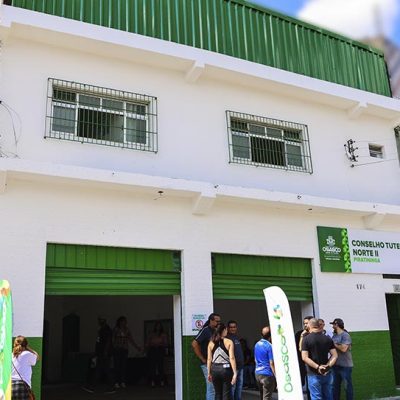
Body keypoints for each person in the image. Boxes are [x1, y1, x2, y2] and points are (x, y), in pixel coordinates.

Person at [301, 318, 338, 400]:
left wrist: (318, 367)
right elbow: (335, 355)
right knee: (328, 396)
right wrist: (327, 366)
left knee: (316, 397)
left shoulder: (306, 339)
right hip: (327, 373)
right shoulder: (328, 338)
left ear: (310, 326)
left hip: (313, 373)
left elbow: (304, 357)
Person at [192, 313, 221, 400]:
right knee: (211, 388)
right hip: (208, 364)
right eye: (216, 321)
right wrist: (202, 358)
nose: (218, 323)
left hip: (217, 363)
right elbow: (194, 344)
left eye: (219, 321)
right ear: (211, 321)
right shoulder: (205, 330)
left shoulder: (217, 331)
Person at [83, 316, 115, 394]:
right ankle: (92, 386)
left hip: (104, 354)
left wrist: (105, 352)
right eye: (99, 320)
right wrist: (96, 352)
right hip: (101, 353)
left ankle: (110, 386)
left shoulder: (106, 330)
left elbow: (108, 341)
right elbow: (99, 342)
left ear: (104, 320)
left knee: (104, 370)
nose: (99, 321)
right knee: (100, 370)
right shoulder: (101, 329)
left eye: (101, 320)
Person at [207, 323, 237, 400]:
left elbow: (209, 359)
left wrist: (209, 372)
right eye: (226, 330)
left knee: (217, 393)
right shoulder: (229, 342)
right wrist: (235, 373)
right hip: (226, 369)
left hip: (214, 369)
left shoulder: (211, 343)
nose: (227, 331)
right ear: (224, 330)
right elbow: (232, 358)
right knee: (226, 393)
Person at [113, 316, 141, 389]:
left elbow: (131, 339)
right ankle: (116, 382)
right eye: (122, 321)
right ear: (119, 322)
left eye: (125, 321)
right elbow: (112, 339)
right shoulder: (116, 329)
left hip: (124, 349)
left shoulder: (127, 330)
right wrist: (113, 347)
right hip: (117, 349)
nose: (124, 323)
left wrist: (137, 347)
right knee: (117, 366)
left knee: (123, 366)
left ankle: (122, 382)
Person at [330, 318, 353, 400]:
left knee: (347, 386)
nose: (332, 326)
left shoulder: (345, 335)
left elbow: (344, 349)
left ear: (337, 325)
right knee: (335, 387)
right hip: (335, 365)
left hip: (345, 366)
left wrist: (334, 344)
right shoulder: (334, 336)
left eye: (333, 324)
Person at [11, 336, 39, 400]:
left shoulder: (11, 355)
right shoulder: (27, 354)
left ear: (14, 344)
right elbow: (37, 357)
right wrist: (28, 348)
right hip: (22, 386)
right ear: (26, 345)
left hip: (10, 387)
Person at [254, 326, 275, 400]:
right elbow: (271, 363)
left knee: (262, 395)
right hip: (267, 374)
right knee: (267, 397)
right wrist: (275, 375)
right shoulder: (269, 346)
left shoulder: (257, 344)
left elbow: (255, 360)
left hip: (258, 373)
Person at [295, 316, 313, 397]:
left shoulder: (314, 334)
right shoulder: (299, 334)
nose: (305, 325)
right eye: (304, 323)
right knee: (301, 382)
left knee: (312, 384)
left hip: (312, 362)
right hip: (301, 362)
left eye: (307, 323)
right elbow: (299, 349)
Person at [146, 320, 168, 387]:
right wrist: (146, 349)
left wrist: (161, 345)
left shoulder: (163, 334)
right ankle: (152, 381)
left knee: (160, 366)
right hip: (152, 350)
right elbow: (148, 342)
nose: (158, 327)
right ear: (155, 327)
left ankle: (162, 381)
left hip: (160, 350)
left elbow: (166, 343)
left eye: (159, 326)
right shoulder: (152, 334)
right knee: (152, 366)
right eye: (157, 326)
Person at [227, 320, 244, 400]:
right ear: (227, 328)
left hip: (240, 366)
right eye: (231, 327)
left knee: (239, 386)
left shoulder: (236, 337)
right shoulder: (227, 338)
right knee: (232, 387)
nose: (232, 329)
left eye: (234, 327)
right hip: (233, 367)